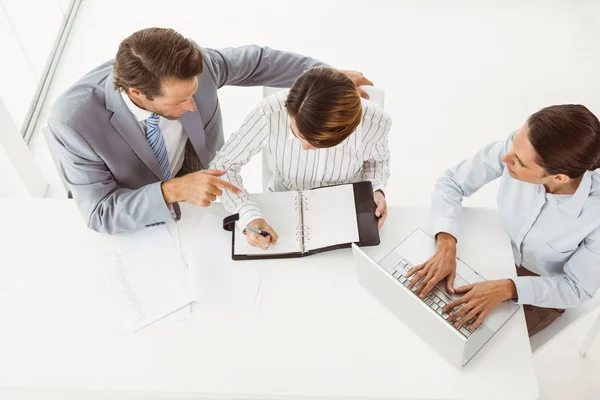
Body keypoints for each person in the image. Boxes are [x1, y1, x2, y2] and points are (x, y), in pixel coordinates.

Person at [45, 27, 372, 234]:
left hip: (200, 168)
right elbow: (101, 212)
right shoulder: (73, 122)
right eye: (180, 101)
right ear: (137, 94)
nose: (192, 107)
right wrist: (173, 191)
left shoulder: (194, 67)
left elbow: (258, 62)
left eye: (193, 94)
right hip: (148, 208)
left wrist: (326, 76)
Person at [407, 104, 600, 337]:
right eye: (513, 146)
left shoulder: (594, 214)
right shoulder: (520, 147)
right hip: (497, 250)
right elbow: (452, 181)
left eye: (519, 161)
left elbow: (578, 287)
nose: (505, 158)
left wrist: (508, 288)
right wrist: (446, 242)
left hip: (542, 288)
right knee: (419, 310)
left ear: (559, 177)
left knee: (470, 340)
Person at [210, 66, 391, 250]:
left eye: (314, 143)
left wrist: (376, 189)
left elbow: (377, 161)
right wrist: (247, 214)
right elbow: (223, 167)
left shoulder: (375, 122)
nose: (304, 147)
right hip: (282, 204)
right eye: (297, 135)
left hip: (343, 212)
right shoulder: (269, 112)